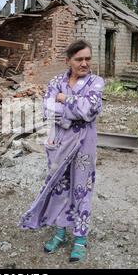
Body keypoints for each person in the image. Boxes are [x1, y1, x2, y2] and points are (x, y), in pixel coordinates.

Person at [19, 39, 105, 262]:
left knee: (81, 189)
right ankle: (60, 232)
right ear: (68, 61)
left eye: (87, 58)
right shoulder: (56, 81)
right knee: (59, 187)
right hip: (58, 142)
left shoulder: (96, 82)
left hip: (84, 145)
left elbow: (90, 109)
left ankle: (80, 238)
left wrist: (65, 99)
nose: (84, 63)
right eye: (79, 59)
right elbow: (48, 110)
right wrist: (71, 112)